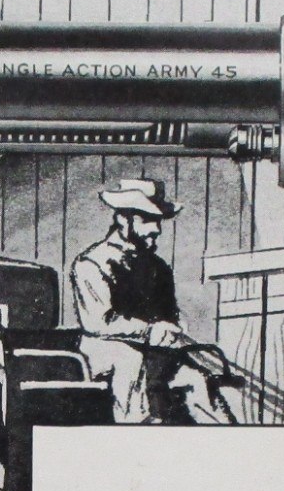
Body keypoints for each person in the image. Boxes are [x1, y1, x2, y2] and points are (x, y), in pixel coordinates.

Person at [70, 175, 233, 423]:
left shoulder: (158, 267)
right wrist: (149, 331)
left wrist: (175, 327)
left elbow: (169, 313)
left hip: (155, 352)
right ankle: (134, 429)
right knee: (131, 363)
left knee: (198, 382)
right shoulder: (91, 263)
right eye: (147, 219)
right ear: (122, 219)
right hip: (108, 351)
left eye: (158, 221)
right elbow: (98, 322)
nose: (156, 229)